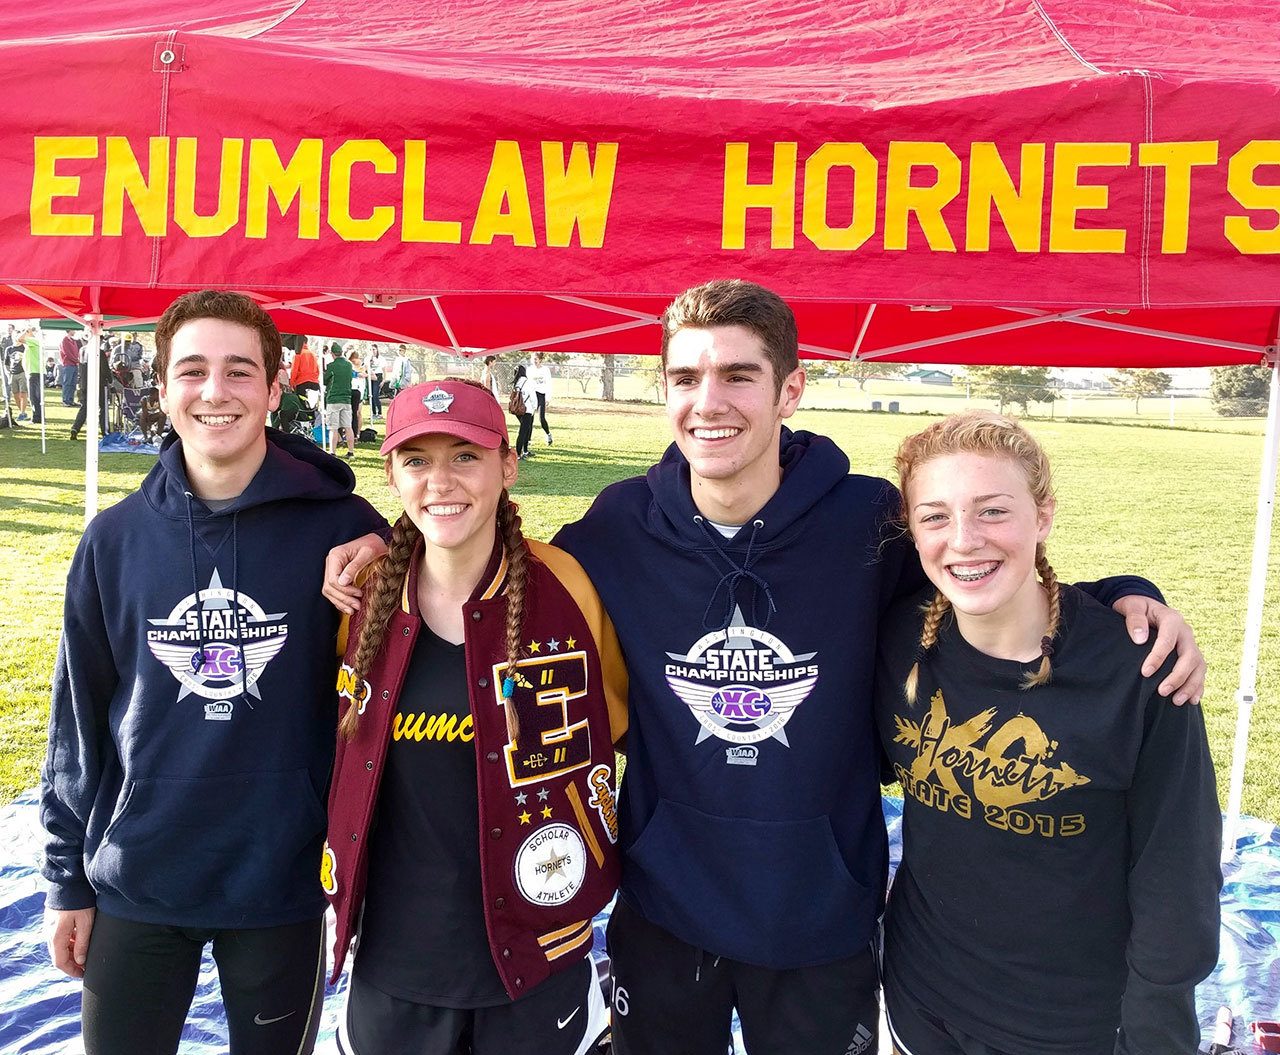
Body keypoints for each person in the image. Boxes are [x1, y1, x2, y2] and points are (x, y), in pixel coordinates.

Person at [321, 280, 1205, 1055]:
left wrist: (1127, 594)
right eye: (685, 377)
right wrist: (380, 543)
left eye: (738, 375)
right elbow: (491, 563)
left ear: (791, 389)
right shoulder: (619, 529)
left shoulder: (870, 522)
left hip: (820, 918)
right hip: (665, 912)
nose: (711, 401)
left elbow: (978, 568)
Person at [40, 290, 387, 1055]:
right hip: (138, 872)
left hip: (279, 879)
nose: (215, 391)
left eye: (239, 370)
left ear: (273, 387)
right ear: (162, 387)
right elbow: (77, 719)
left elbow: (439, 611)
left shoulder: (344, 528)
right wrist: (65, 876)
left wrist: (397, 557)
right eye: (192, 370)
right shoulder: (114, 540)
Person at [877, 411, 1220, 1055]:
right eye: (935, 516)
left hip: (1071, 1024)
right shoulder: (898, 642)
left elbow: (1179, 875)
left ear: (1043, 518)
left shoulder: (1139, 668)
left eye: (993, 511)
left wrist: (1155, 1032)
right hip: (920, 999)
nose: (964, 539)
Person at [323, 379, 626, 1055]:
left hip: (535, 953)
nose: (440, 480)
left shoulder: (567, 589)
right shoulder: (362, 598)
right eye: (417, 459)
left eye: (465, 455)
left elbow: (617, 727)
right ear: (392, 473)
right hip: (394, 964)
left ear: (508, 465)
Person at [324, 343, 356, 459]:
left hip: (333, 399)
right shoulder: (348, 365)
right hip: (347, 399)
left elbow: (324, 380)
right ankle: (351, 452)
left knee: (333, 427)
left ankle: (332, 452)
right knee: (348, 426)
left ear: (332, 354)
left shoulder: (331, 366)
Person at [511, 364, 536, 460]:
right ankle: (518, 453)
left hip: (518, 410)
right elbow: (533, 397)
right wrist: (534, 408)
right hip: (527, 410)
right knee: (523, 431)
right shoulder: (527, 382)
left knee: (526, 429)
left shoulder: (516, 383)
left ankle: (525, 451)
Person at [528, 352, 553, 445]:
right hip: (532, 396)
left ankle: (548, 434)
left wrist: (548, 398)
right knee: (530, 418)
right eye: (533, 359)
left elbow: (549, 384)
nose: (534, 361)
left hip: (541, 395)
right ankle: (528, 439)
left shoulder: (545, 370)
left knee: (541, 418)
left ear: (540, 360)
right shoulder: (529, 370)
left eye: (536, 359)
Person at [21, 325, 43, 424]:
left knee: (34, 396)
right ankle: (39, 416)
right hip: (35, 371)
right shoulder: (34, 343)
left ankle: (36, 418)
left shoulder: (33, 341)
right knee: (37, 396)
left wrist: (26, 331)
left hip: (34, 371)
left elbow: (20, 339)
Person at [290, 337, 321, 405]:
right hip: (315, 383)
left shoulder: (298, 354)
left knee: (303, 407)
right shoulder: (313, 354)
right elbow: (318, 371)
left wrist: (291, 384)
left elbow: (294, 371)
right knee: (314, 408)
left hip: (302, 383)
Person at [366, 347, 386, 420]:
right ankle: (373, 413)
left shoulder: (381, 358)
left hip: (378, 376)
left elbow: (384, 370)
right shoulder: (367, 358)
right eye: (371, 349)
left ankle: (380, 413)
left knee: (375, 395)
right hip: (370, 376)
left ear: (377, 349)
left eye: (374, 349)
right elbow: (365, 367)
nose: (373, 351)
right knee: (370, 395)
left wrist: (383, 380)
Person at [349, 351, 365, 438]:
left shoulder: (362, 367)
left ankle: (356, 433)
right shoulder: (351, 366)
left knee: (356, 413)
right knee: (355, 413)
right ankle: (355, 433)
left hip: (358, 390)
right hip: (355, 390)